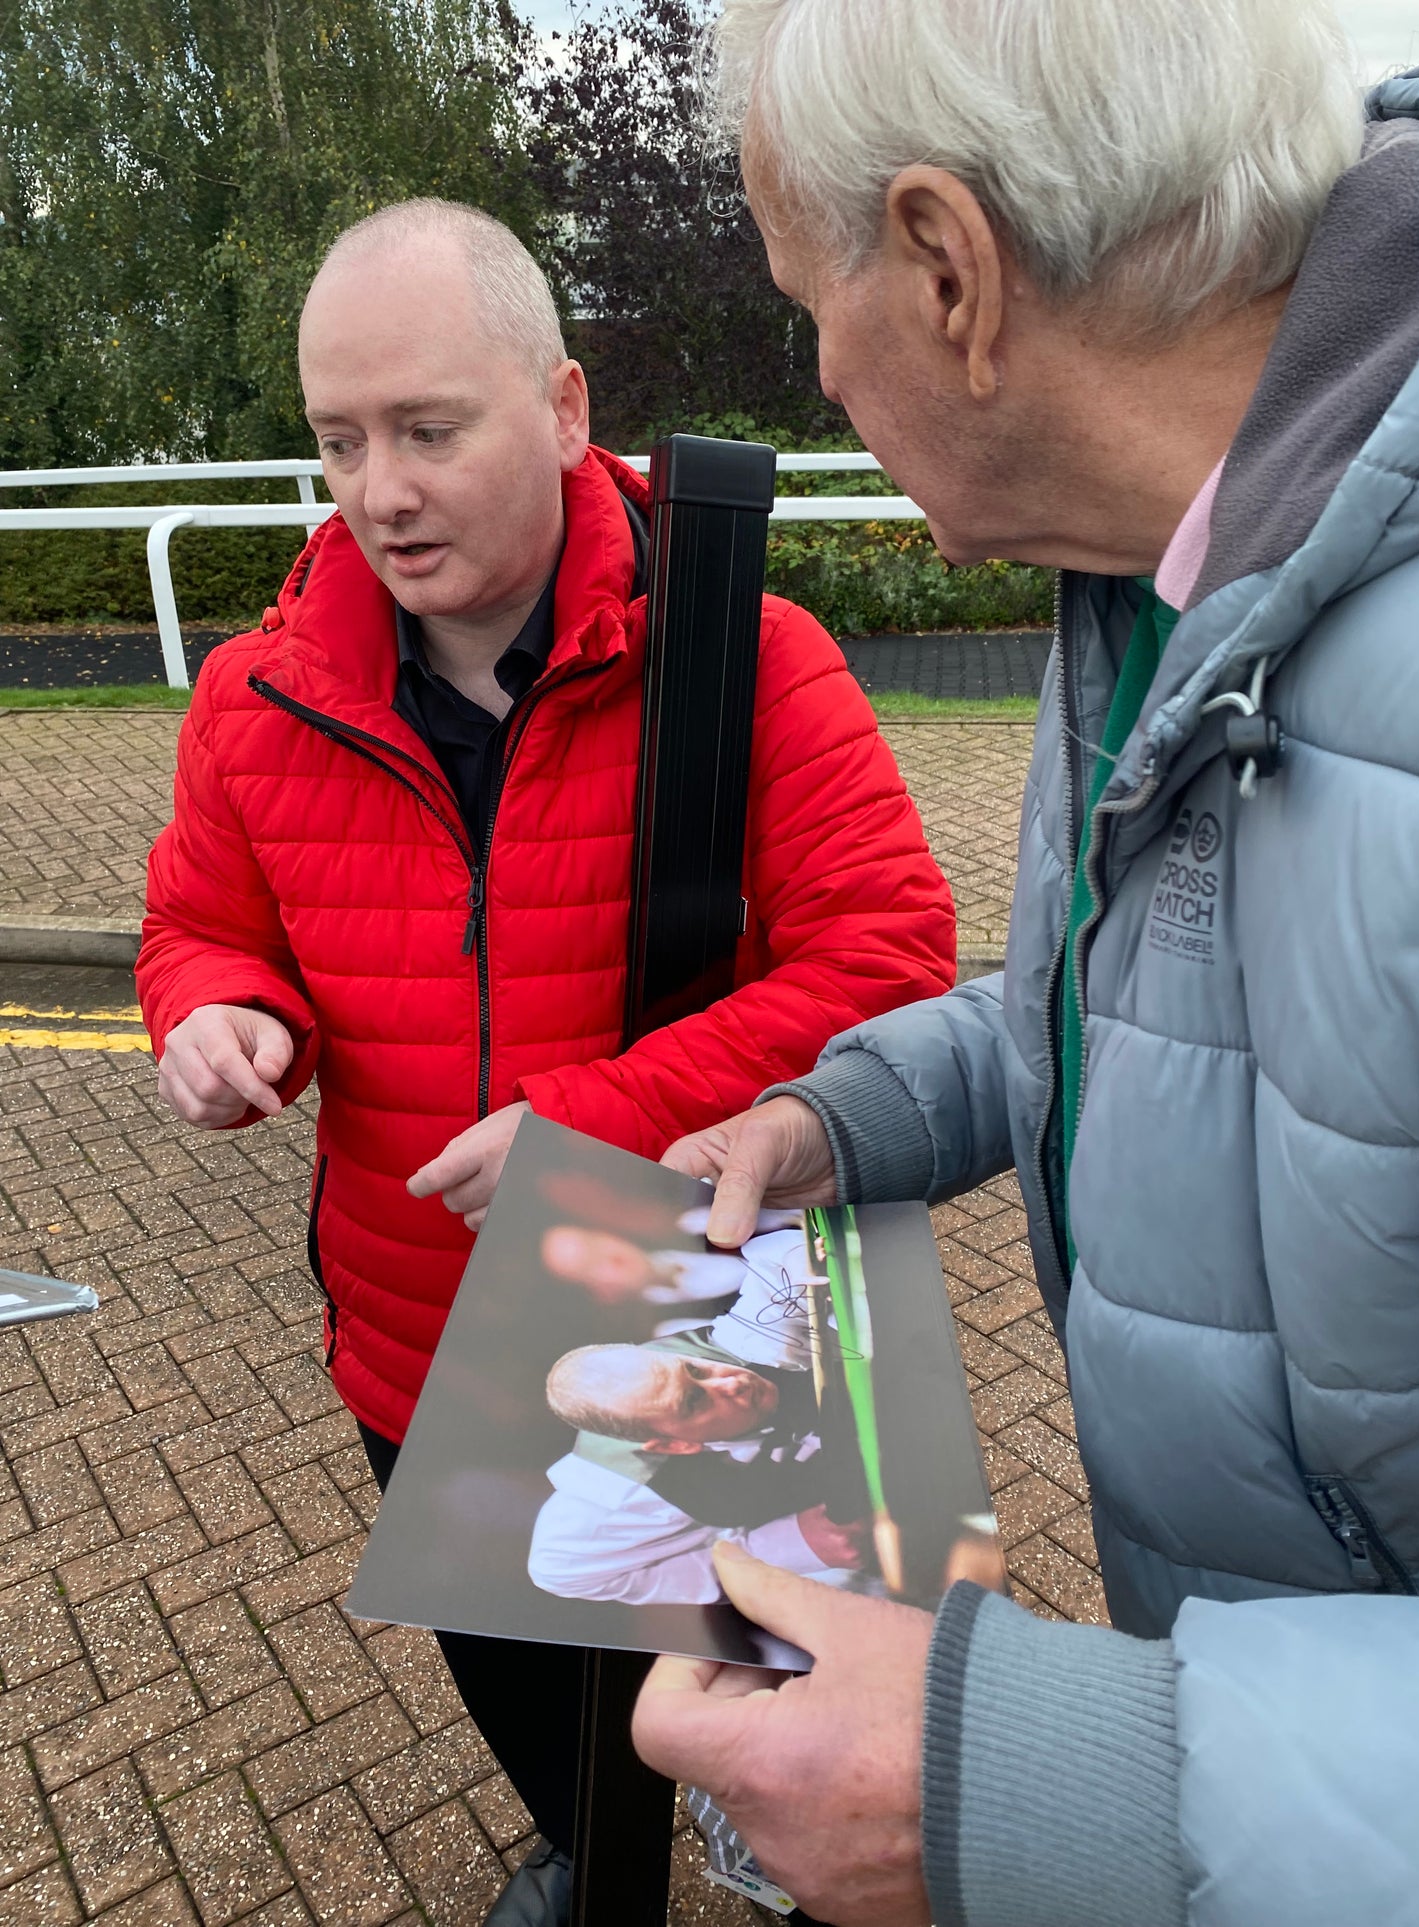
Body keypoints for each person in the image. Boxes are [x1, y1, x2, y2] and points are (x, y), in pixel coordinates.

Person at [632, 10, 1419, 1925]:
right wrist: (848, 1113)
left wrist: (1047, 1783)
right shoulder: (1165, 571)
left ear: (947, 269)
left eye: (800, 296)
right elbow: (1167, 995)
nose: (812, 371)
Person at [136, 198, 956, 1923]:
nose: (380, 489)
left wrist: (593, 1123)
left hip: (712, 1332)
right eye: (339, 440)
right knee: (531, 1693)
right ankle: (587, 1848)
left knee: (787, 1723)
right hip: (422, 1339)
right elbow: (204, 925)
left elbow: (887, 958)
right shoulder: (255, 700)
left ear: (567, 409)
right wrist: (218, 1015)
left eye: (429, 429)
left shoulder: (747, 659)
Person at [532, 1229, 865, 1604]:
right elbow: (557, 1573)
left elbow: (776, 1272)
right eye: (693, 1401)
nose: (731, 1383)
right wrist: (789, 1546)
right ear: (673, 1444)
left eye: (696, 1370)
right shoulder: (624, 1495)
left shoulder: (730, 1347)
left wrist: (798, 1258)